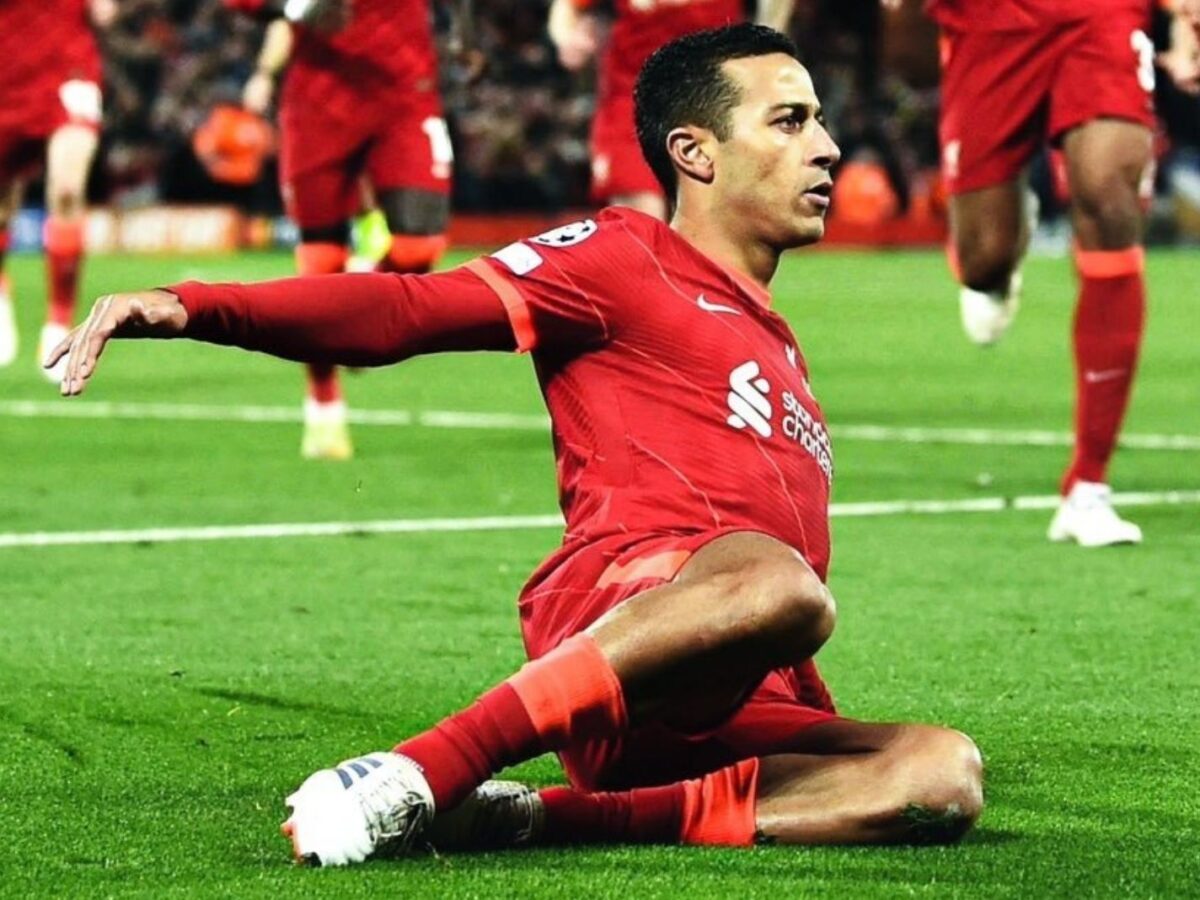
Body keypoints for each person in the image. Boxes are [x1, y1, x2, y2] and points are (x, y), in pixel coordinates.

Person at [49, 25, 983, 864]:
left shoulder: (780, 346)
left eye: (820, 122)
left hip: (734, 687)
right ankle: (421, 770)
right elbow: (409, 307)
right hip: (623, 614)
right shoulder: (624, 256)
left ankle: (542, 818)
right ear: (693, 152)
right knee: (784, 585)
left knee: (942, 771)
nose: (826, 148)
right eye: (789, 121)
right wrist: (197, 306)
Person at [882, 0, 1200, 546]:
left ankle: (1088, 488)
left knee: (1108, 195)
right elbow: (907, 60)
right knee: (984, 259)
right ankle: (999, 254)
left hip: (1099, 15)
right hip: (985, 20)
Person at [226, 0, 454, 461]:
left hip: (406, 92)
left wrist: (462, 33)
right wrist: (294, 7)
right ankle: (323, 406)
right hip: (319, 102)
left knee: (420, 244)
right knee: (320, 260)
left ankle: (361, 299)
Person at [548, 0, 797, 220]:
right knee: (642, 222)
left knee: (716, 224)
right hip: (632, 102)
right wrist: (568, 38)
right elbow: (567, 7)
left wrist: (768, 36)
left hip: (713, 102)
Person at [0, 0, 114, 383]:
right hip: (7, 70)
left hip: (69, 67)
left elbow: (106, 12)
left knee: (67, 189)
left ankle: (59, 321)